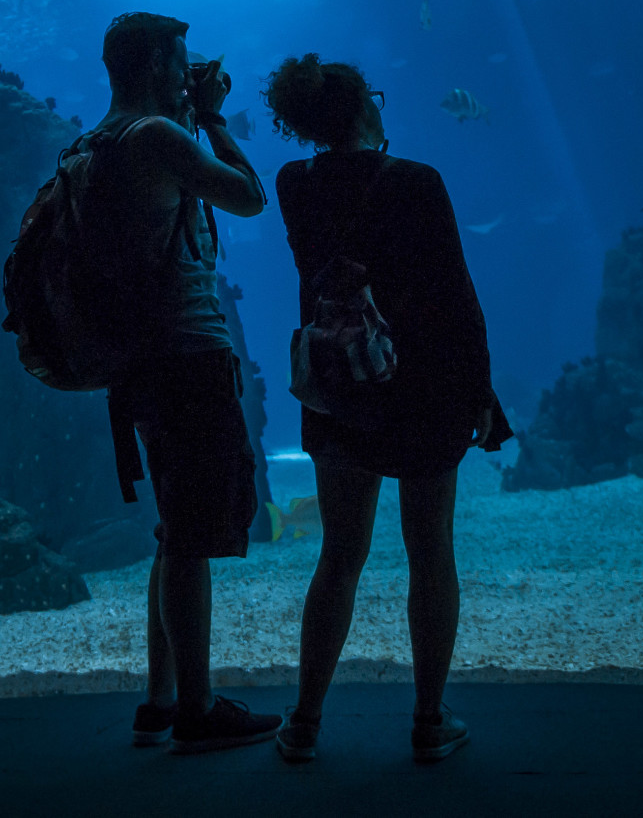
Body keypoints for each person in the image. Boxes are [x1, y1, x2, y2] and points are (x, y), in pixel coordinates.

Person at [263, 55, 514, 764]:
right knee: (429, 548)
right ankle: (429, 721)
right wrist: (482, 389)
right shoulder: (415, 180)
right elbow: (455, 295)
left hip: (339, 386)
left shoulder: (294, 184)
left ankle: (303, 722)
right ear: (364, 110)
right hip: (424, 387)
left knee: (339, 556)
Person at [87, 12, 279, 754]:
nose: (187, 71)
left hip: (142, 361)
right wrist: (214, 118)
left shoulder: (98, 141)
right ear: (158, 67)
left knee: (174, 530)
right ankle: (198, 707)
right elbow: (246, 196)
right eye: (181, 62)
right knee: (196, 531)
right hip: (182, 354)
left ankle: (159, 697)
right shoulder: (158, 137)